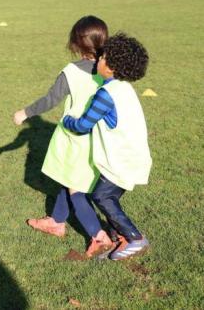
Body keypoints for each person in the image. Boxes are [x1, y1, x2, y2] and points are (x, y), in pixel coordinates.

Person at [14, 16, 114, 258]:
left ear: (76, 44)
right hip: (99, 136)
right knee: (67, 177)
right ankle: (56, 221)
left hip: (74, 137)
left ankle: (98, 236)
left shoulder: (71, 72)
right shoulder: (109, 70)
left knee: (75, 189)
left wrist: (24, 113)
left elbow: (50, 100)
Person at [63, 33, 152, 260]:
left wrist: (67, 120)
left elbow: (83, 125)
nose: (97, 62)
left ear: (110, 67)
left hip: (122, 159)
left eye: (101, 58)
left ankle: (135, 237)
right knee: (101, 195)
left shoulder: (106, 94)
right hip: (133, 155)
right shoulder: (124, 88)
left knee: (103, 197)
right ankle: (119, 237)